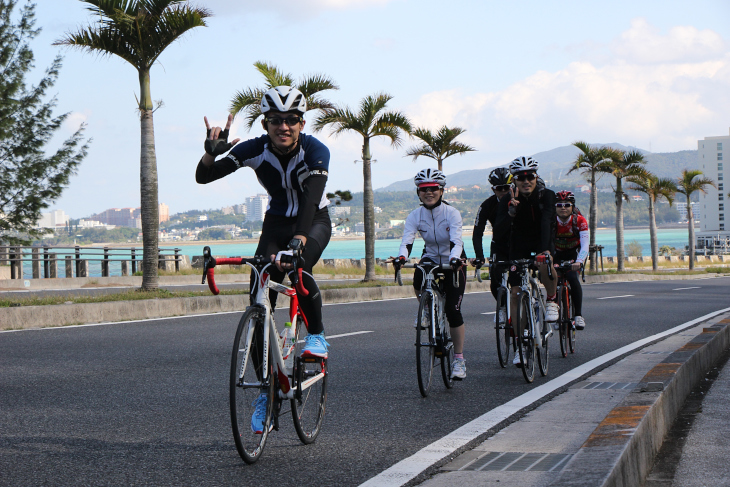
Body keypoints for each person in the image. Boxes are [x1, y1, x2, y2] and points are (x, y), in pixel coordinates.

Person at [196, 86, 332, 433]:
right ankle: (266, 389)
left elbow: (311, 200)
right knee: (258, 300)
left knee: (299, 265)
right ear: (265, 122)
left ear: (301, 123)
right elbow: (204, 176)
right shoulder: (254, 148)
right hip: (275, 223)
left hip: (312, 221)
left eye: (290, 120)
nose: (283, 126)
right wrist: (212, 154)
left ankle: (316, 335)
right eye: (275, 120)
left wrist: (299, 242)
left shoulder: (316, 150)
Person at [395, 168, 468, 380]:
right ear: (418, 192)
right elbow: (407, 241)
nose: (429, 192)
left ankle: (459, 359)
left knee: (453, 311)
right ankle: (427, 307)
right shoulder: (415, 215)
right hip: (431, 256)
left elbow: (457, 241)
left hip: (453, 258)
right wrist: (401, 257)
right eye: (424, 189)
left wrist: (455, 259)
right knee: (419, 274)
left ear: (441, 191)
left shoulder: (451, 213)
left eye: (433, 189)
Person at [493, 156, 558, 367]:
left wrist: (546, 250)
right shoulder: (507, 199)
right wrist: (511, 211)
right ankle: (520, 346)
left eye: (530, 176)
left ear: (536, 177)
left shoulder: (546, 195)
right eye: (521, 178)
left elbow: (548, 220)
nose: (526, 181)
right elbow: (499, 231)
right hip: (518, 244)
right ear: (515, 180)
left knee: (545, 262)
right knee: (515, 293)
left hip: (542, 239)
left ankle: (551, 299)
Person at [472, 167, 513, 321]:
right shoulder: (487, 205)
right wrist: (479, 256)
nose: (503, 191)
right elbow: (477, 232)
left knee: (517, 277)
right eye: (499, 189)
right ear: (493, 189)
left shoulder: (520, 200)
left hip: (519, 243)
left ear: (512, 186)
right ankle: (502, 306)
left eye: (506, 188)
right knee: (495, 278)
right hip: (499, 245)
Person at [553, 190, 588, 330]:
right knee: (553, 279)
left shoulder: (579, 220)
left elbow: (585, 244)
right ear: (554, 207)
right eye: (559, 204)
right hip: (557, 253)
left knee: (573, 277)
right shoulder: (551, 221)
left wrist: (579, 261)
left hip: (574, 254)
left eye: (567, 205)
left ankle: (578, 315)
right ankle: (555, 314)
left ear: (572, 207)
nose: (563, 207)